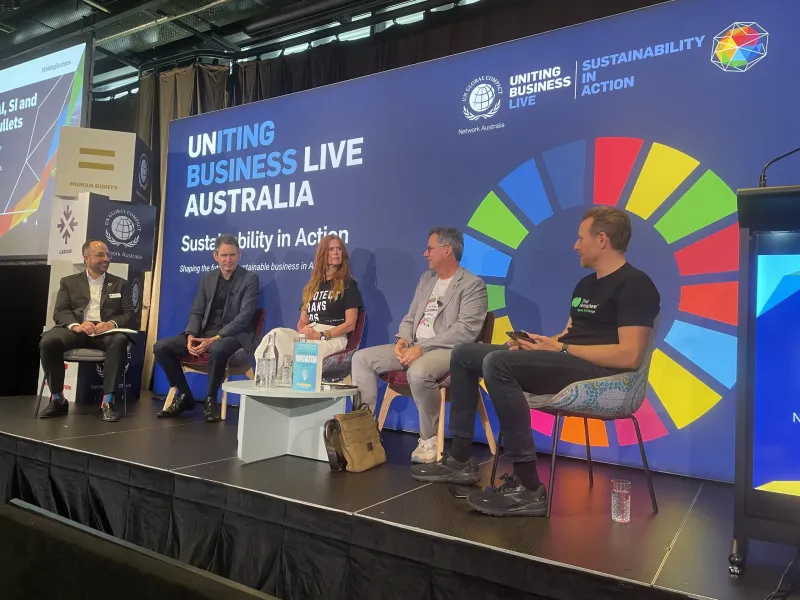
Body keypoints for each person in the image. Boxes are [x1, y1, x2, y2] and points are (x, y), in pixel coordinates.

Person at [411, 207, 660, 517]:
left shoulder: (636, 285)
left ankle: (528, 487)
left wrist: (563, 350)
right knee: (464, 354)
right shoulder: (586, 285)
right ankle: (460, 460)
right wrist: (539, 344)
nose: (575, 245)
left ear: (602, 239)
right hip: (571, 361)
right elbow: (570, 335)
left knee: (498, 365)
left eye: (580, 238)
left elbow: (629, 355)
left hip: (602, 373)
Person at [352, 227, 488, 464]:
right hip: (415, 345)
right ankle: (366, 432)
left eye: (430, 248)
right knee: (361, 359)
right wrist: (403, 339)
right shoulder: (427, 279)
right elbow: (411, 315)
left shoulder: (472, 285)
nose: (425, 253)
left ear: (447, 251)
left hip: (448, 351)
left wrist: (423, 347)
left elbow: (466, 331)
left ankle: (429, 437)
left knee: (419, 371)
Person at [154, 233, 260, 422]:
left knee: (218, 348)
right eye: (224, 255)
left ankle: (211, 399)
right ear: (215, 256)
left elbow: (244, 317)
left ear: (239, 255)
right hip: (203, 332)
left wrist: (215, 339)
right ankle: (185, 395)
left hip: (232, 336)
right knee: (161, 347)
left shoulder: (249, 279)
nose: (228, 260)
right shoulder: (208, 277)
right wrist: (191, 335)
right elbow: (197, 310)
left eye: (232, 255)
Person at [39, 240, 134, 423]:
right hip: (77, 330)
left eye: (108, 255)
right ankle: (58, 399)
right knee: (49, 341)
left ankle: (107, 402)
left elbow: (129, 314)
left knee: (120, 340)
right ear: (86, 258)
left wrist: (111, 323)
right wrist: (76, 325)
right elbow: (60, 312)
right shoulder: (69, 282)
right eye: (100, 255)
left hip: (104, 332)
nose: (106, 258)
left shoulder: (120, 284)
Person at [257, 234, 362, 364]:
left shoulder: (348, 284)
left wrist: (321, 335)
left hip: (332, 338)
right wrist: (303, 330)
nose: (336, 252)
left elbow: (350, 324)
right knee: (276, 335)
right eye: (331, 249)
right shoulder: (312, 286)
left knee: (302, 351)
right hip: (310, 335)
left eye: (339, 249)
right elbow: (302, 321)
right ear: (322, 254)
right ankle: (267, 378)